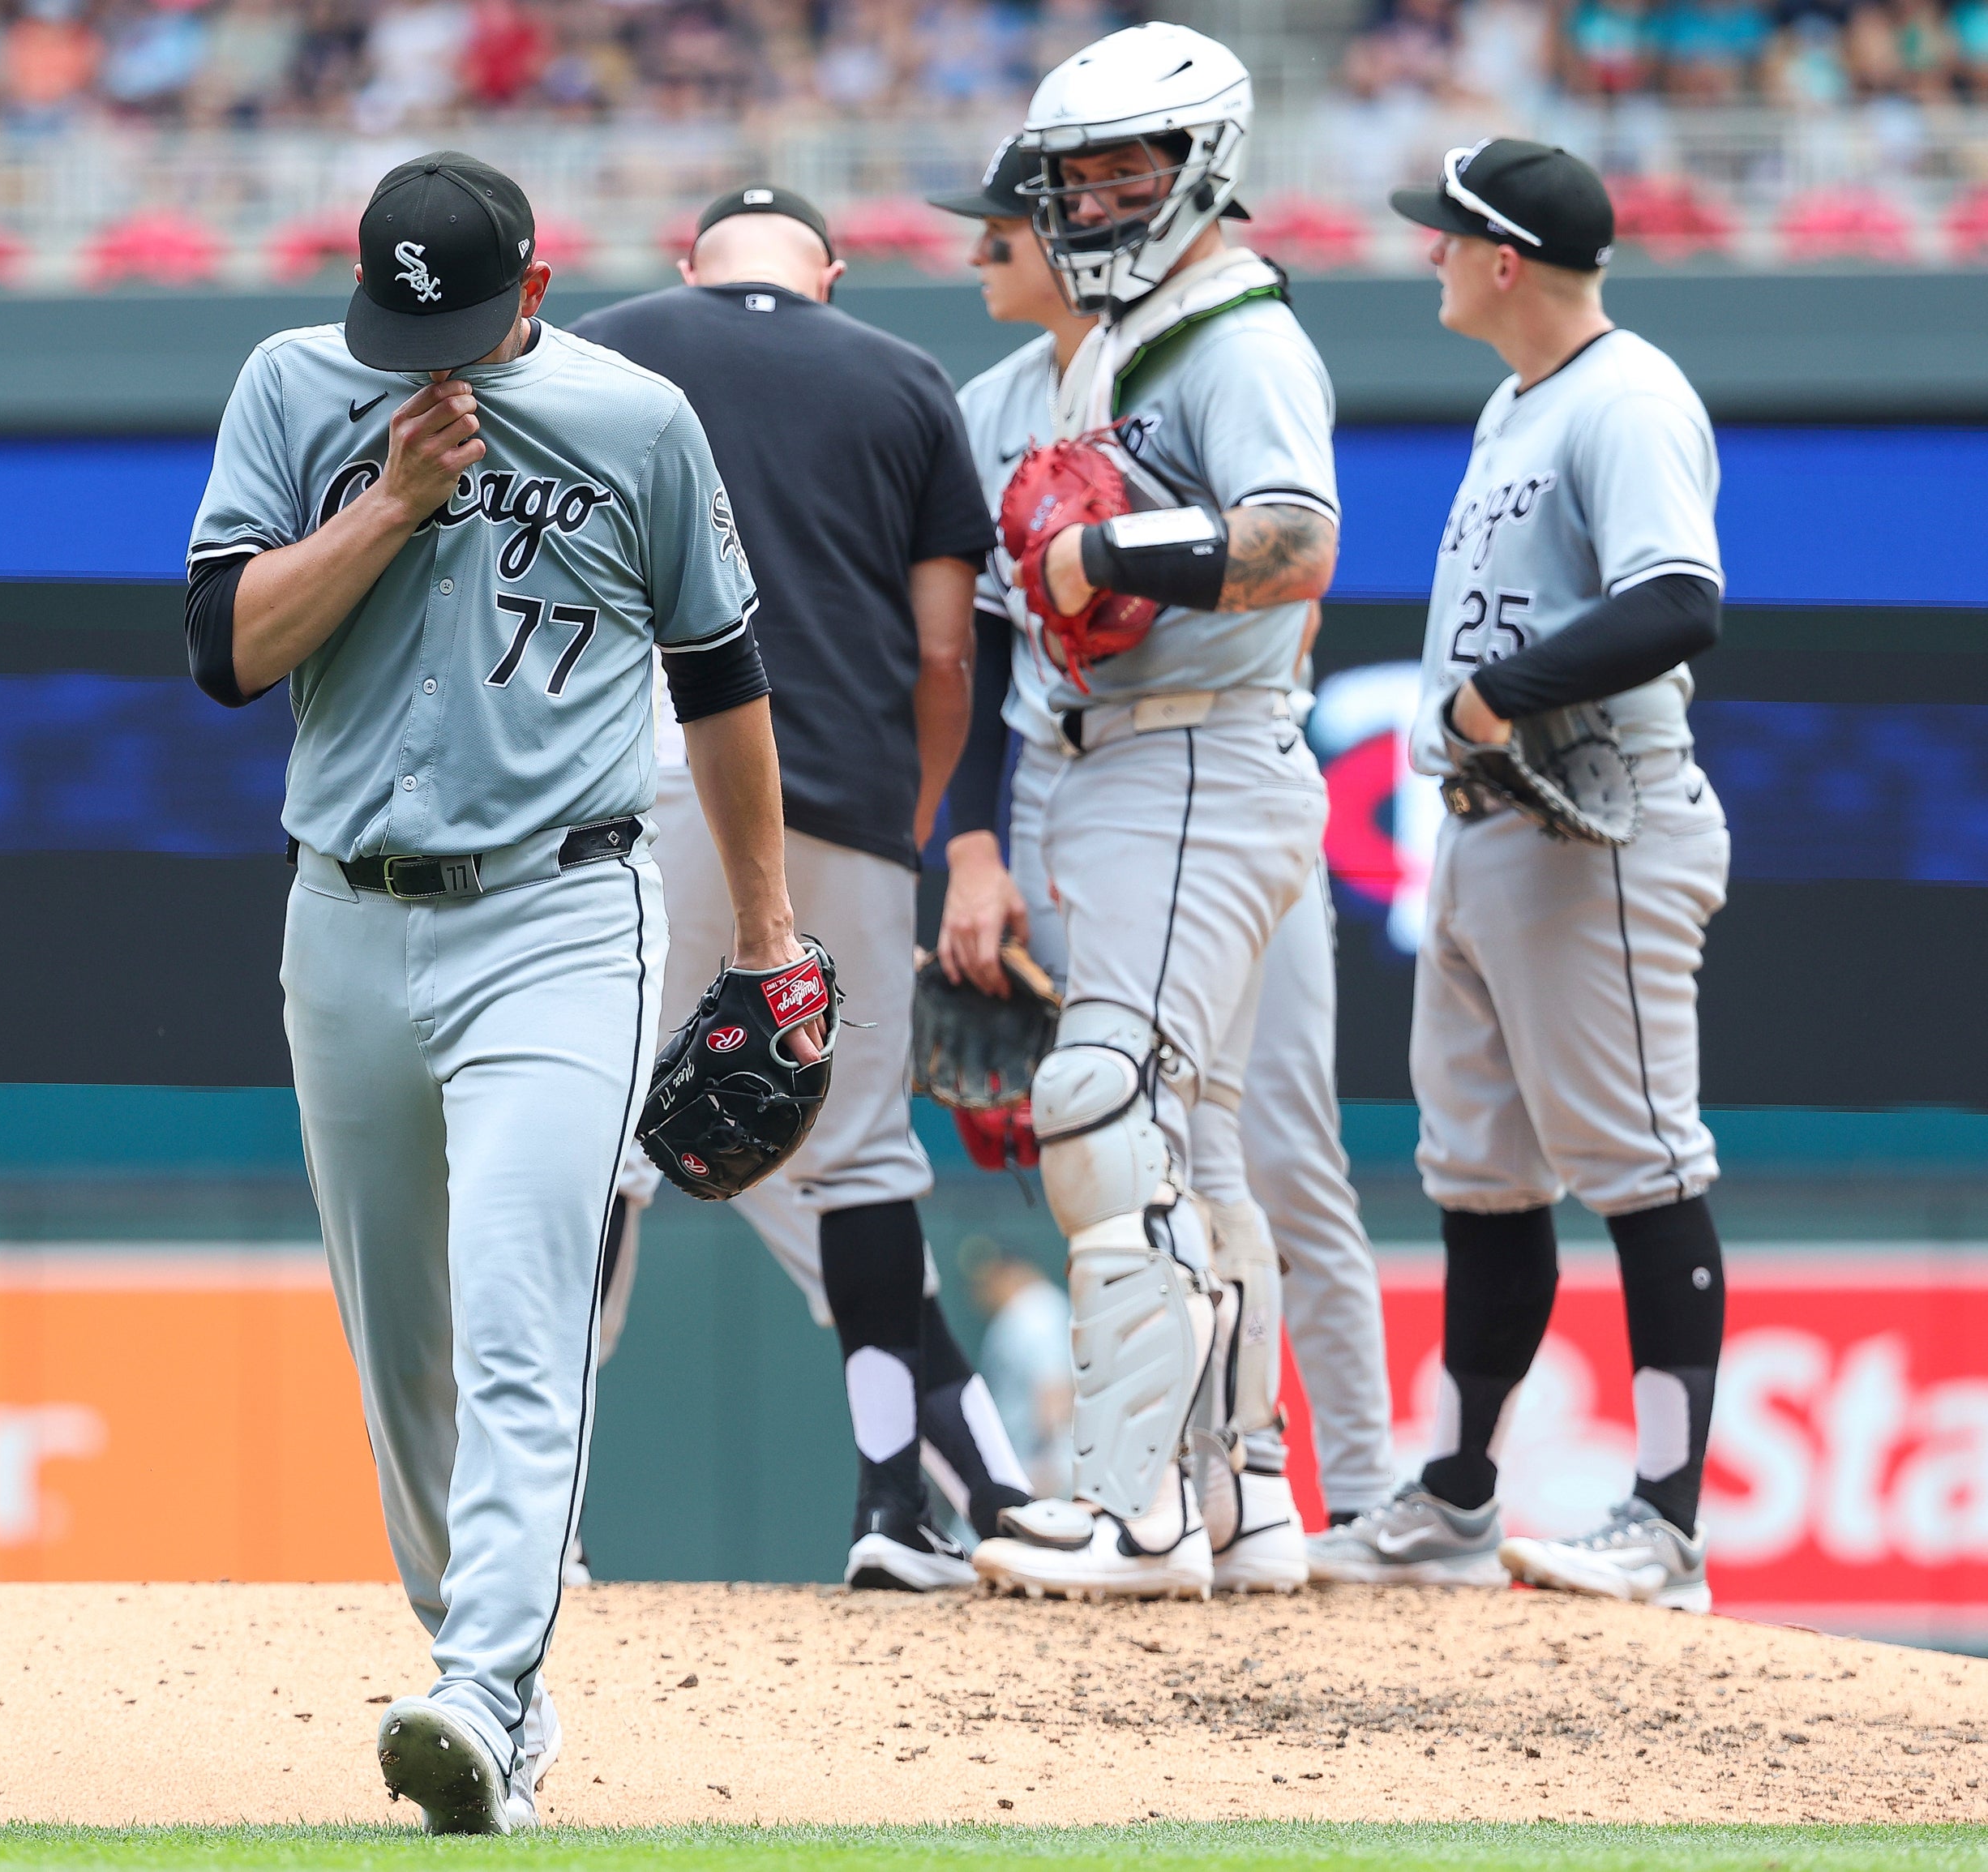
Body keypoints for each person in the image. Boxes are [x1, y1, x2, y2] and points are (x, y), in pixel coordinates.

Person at [185, 152, 808, 1833]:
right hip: (345, 913)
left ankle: (478, 1684)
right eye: (398, 320)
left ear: (533, 294)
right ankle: (488, 1678)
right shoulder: (294, 389)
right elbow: (225, 650)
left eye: (454, 319)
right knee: (405, 1356)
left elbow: (723, 675)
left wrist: (766, 928)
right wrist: (386, 499)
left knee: (525, 1307)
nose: (420, 352)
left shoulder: (637, 423)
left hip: (557, 913)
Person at [931, 131, 1400, 1587]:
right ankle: (1247, 1490)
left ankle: (1133, 1508)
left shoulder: (1234, 335)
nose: (1002, 236)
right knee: (1195, 1145)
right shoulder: (1084, 364)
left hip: (1189, 750)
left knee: (1105, 1098)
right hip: (1141, 755)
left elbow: (1298, 544)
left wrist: (1107, 559)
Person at [567, 186, 1035, 1593]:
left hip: (632, 785)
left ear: (683, 263)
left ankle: (539, 1527)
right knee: (863, 1161)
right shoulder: (903, 377)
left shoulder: (599, 351)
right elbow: (945, 652)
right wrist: (909, 815)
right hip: (835, 788)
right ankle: (896, 1506)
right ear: (832, 272)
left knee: (594, 1150)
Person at [1310, 141, 1728, 1612]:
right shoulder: (1514, 401)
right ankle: (1456, 1495)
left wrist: (1493, 695)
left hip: (1591, 825)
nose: (1425, 254)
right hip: (1490, 832)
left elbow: (1678, 598)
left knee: (1639, 1160)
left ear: (1501, 260)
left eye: (1443, 237)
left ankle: (1665, 1521)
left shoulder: (1626, 394)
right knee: (1479, 1173)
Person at [960, 1237, 1074, 1501]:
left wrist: (1049, 1465)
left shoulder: (1035, 1312)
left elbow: (1055, 1391)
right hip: (1022, 1465)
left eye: (989, 1280)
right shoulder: (1031, 1310)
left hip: (1035, 1468)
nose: (982, 1292)